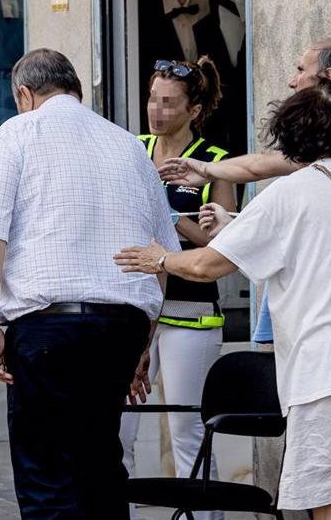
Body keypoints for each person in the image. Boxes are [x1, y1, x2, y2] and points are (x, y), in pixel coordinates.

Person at [117, 80, 331, 520]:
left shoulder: (288, 195)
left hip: (328, 372)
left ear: (293, 135)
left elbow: (207, 267)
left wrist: (160, 259)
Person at [0, 48, 180, 518]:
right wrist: (144, 341)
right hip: (118, 328)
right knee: (101, 468)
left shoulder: (18, 132)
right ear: (75, 89)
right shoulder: (126, 144)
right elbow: (164, 257)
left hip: (47, 331)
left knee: (47, 479)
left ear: (24, 93)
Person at [159, 38, 331, 344]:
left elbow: (209, 264)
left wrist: (157, 259)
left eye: (300, 69)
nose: (292, 82)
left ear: (328, 78)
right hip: (302, 324)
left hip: (327, 333)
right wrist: (210, 179)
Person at [120, 57, 236, 509]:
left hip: (191, 312)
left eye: (169, 103)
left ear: (195, 109)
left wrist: (171, 216)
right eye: (152, 98)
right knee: (119, 429)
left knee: (188, 432)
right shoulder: (132, 147)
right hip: (134, 308)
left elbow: (221, 245)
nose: (156, 110)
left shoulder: (214, 162)